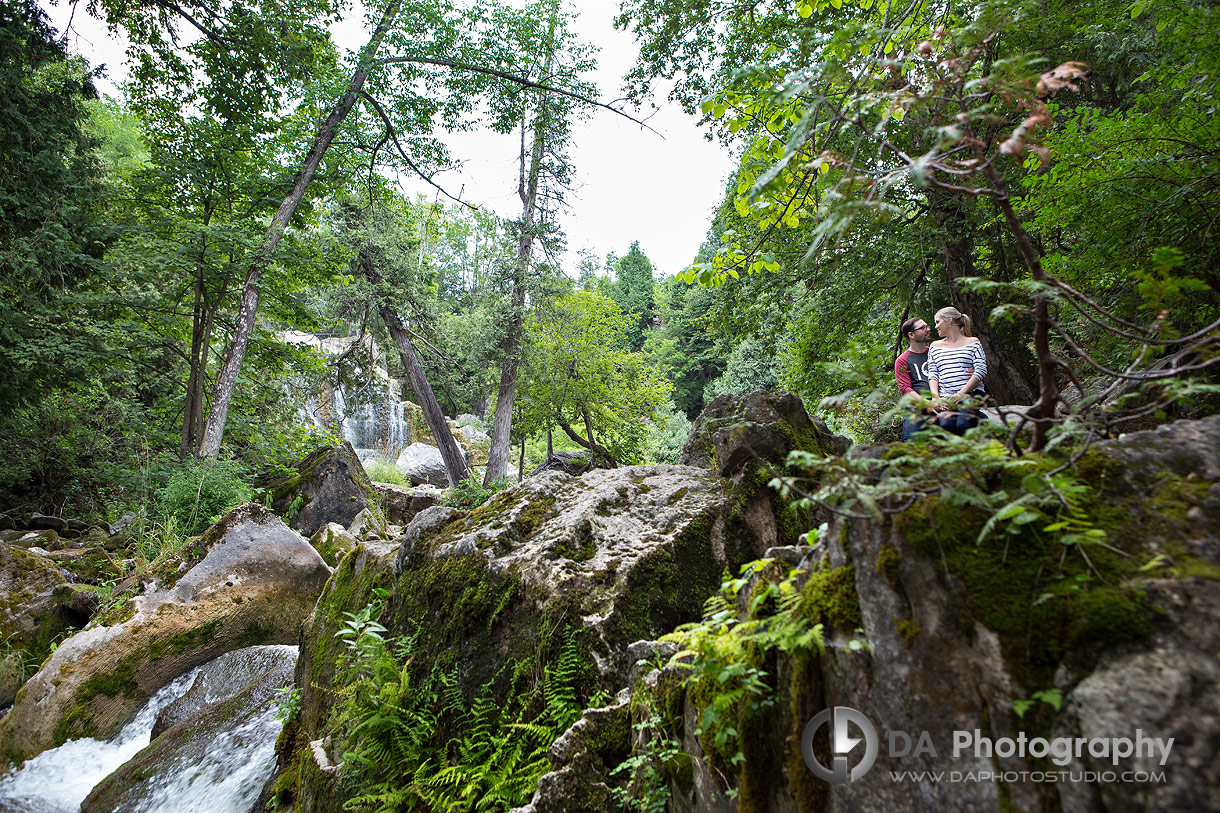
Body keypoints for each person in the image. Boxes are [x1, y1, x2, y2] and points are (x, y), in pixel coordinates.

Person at [927, 306, 988, 435]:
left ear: (949, 321)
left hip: (970, 394)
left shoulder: (973, 342)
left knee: (962, 424)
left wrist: (961, 394)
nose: (936, 327)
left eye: (938, 322)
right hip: (946, 397)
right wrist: (936, 398)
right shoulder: (935, 346)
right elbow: (933, 374)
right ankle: (979, 417)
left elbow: (981, 370)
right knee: (946, 425)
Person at [894, 316, 933, 441]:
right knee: (911, 441)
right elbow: (905, 389)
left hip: (941, 402)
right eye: (922, 328)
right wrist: (927, 403)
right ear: (911, 334)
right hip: (916, 408)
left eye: (927, 326)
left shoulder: (936, 352)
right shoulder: (902, 360)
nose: (927, 330)